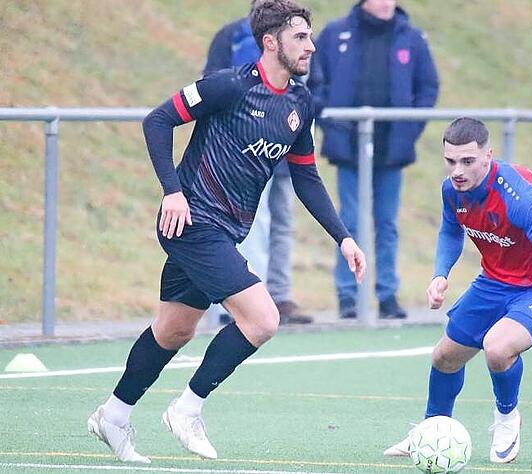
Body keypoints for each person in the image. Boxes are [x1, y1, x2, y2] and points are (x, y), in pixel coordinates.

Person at [86, 0, 366, 463]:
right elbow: (158, 120)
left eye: (310, 36)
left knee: (174, 331)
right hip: (192, 223)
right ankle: (187, 408)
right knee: (263, 319)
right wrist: (172, 191)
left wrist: (344, 237)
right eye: (300, 37)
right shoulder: (229, 85)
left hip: (226, 231)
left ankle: (113, 416)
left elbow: (306, 177)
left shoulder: (300, 103)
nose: (311, 46)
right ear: (270, 42)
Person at [383, 118, 532, 464]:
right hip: (495, 281)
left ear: (488, 156)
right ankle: (431, 430)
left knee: (498, 348)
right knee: (445, 357)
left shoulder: (520, 198)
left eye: (467, 161)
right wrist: (440, 275)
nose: (457, 171)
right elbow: (451, 231)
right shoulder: (452, 190)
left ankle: (507, 418)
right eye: (450, 161)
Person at [307, 0, 439, 319]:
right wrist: (330, 123)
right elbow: (315, 83)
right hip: (348, 146)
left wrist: (409, 129)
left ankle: (387, 294)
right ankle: (348, 295)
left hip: (391, 148)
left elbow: (428, 87)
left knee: (387, 223)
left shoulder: (412, 38)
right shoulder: (335, 34)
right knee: (348, 221)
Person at [202, 0, 312, 325]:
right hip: (244, 156)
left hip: (283, 148)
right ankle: (240, 303)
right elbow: (211, 88)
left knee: (282, 223)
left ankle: (279, 296)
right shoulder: (232, 36)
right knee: (251, 224)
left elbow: (309, 84)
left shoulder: (299, 38)